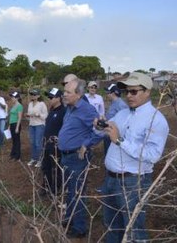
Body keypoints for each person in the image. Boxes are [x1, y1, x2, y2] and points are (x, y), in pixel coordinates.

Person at [94, 72, 169, 242]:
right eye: (127, 92)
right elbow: (108, 130)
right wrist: (100, 126)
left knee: (134, 229)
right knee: (112, 225)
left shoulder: (156, 120)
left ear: (147, 91)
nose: (128, 96)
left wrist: (120, 140)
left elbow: (153, 155)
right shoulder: (123, 113)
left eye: (133, 92)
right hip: (111, 179)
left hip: (133, 182)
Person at [58, 79, 102, 238]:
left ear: (79, 94)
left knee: (77, 193)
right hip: (66, 156)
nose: (64, 95)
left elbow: (101, 129)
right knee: (70, 191)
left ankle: (79, 227)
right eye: (64, 91)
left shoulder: (87, 110)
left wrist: (86, 144)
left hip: (77, 158)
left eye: (68, 92)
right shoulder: (70, 107)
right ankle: (69, 219)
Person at [40, 87, 66, 196]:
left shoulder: (63, 112)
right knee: (45, 167)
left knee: (56, 169)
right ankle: (46, 186)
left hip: (56, 146)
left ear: (59, 98)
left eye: (52, 97)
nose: (49, 98)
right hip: (46, 144)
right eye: (49, 96)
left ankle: (56, 190)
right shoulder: (52, 110)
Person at [102, 83, 128, 153]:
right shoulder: (113, 103)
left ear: (113, 93)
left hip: (115, 134)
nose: (106, 94)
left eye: (108, 92)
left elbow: (125, 121)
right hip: (110, 132)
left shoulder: (121, 104)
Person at [26, 88, 48, 167]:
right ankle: (33, 158)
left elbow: (45, 116)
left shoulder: (41, 104)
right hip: (31, 125)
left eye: (34, 94)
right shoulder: (30, 104)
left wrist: (39, 115)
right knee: (32, 143)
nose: (32, 96)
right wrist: (28, 115)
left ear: (38, 95)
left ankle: (40, 159)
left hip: (39, 125)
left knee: (38, 143)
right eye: (31, 94)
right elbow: (29, 115)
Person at [8, 91, 23, 161]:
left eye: (13, 97)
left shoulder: (19, 106)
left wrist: (17, 127)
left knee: (17, 140)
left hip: (16, 124)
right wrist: (9, 125)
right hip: (12, 124)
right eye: (11, 97)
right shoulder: (13, 105)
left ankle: (17, 156)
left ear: (17, 98)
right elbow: (11, 116)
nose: (12, 98)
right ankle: (13, 154)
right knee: (13, 140)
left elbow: (19, 117)